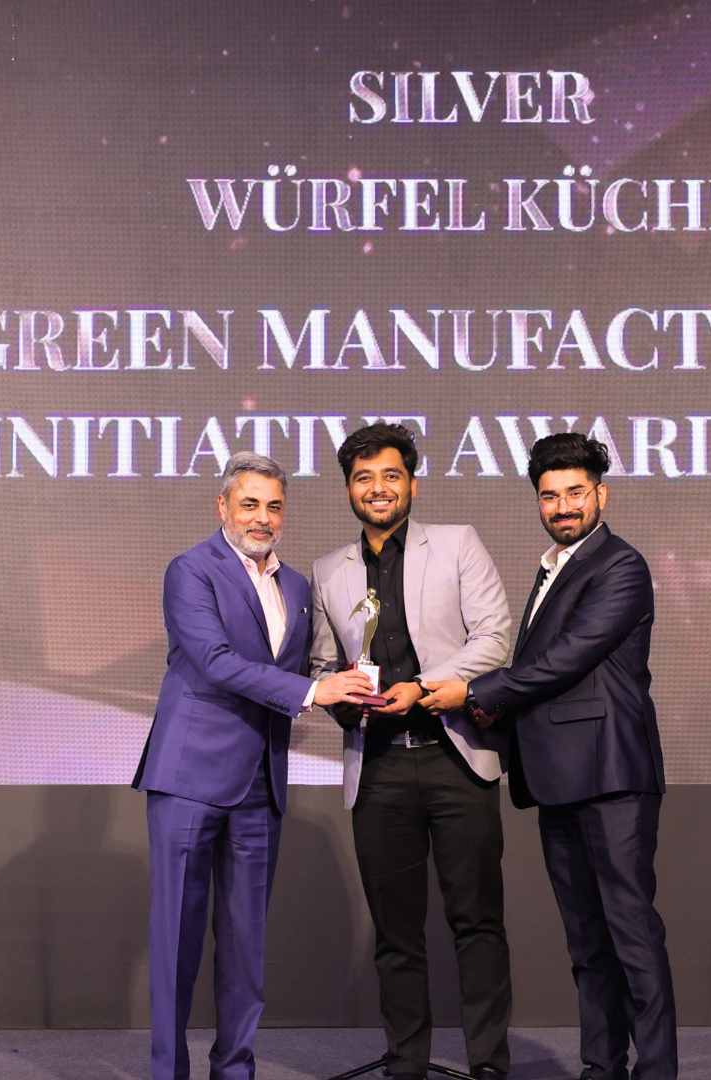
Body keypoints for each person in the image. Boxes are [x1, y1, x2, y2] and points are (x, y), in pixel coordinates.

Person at [418, 433, 677, 1080]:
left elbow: (566, 659)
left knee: (630, 933)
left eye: (575, 492)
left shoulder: (620, 565)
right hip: (559, 777)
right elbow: (544, 670)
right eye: (550, 495)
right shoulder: (552, 566)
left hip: (611, 776)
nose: (563, 506)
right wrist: (490, 708)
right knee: (587, 940)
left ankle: (657, 1071)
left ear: (601, 495)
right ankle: (601, 1067)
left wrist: (474, 692)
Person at [132, 451, 375, 1080]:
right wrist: (315, 691)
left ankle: (235, 1069)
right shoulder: (191, 570)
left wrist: (356, 689)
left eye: (273, 506)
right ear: (223, 506)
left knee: (246, 943)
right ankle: (168, 1072)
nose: (262, 518)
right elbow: (214, 661)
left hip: (261, 784)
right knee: (177, 939)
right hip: (189, 778)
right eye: (249, 504)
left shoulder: (296, 587)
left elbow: (306, 672)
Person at [310, 422, 515, 1080]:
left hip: (457, 757)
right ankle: (406, 1064)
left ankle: (489, 1066)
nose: (378, 488)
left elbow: (494, 638)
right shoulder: (328, 571)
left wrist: (423, 687)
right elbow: (323, 664)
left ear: (412, 484)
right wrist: (345, 699)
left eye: (390, 475)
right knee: (396, 932)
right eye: (363, 478)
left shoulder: (457, 544)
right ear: (349, 488)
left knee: (477, 922)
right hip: (379, 766)